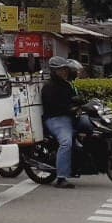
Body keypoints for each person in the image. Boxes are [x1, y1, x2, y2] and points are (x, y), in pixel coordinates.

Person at [41, 56, 80, 188]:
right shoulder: (48, 87)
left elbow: (73, 99)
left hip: (70, 117)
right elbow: (53, 106)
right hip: (56, 119)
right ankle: (61, 177)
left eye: (65, 69)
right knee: (66, 143)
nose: (64, 72)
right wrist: (69, 108)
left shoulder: (67, 85)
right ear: (54, 71)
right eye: (61, 69)